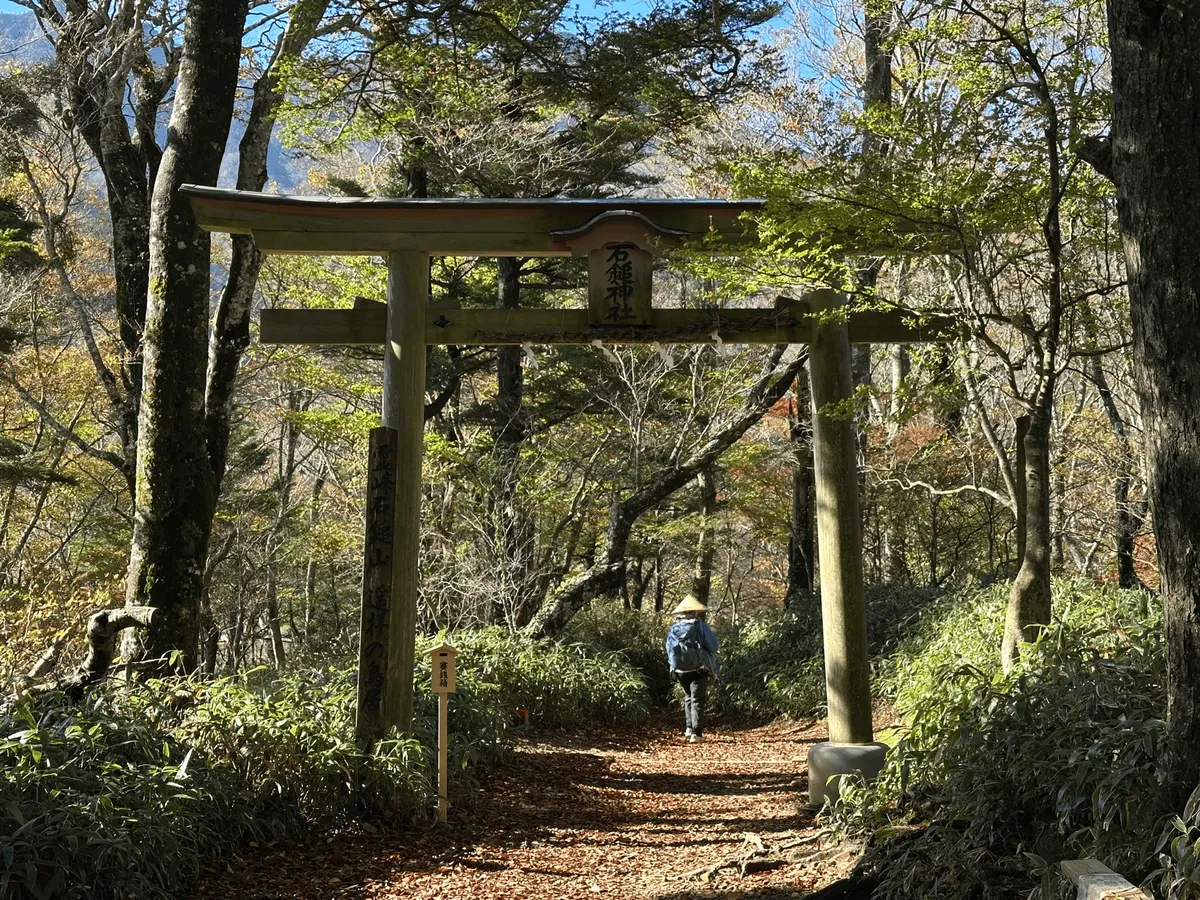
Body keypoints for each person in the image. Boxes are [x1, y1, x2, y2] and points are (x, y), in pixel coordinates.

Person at [664, 594, 719, 743]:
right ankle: (697, 733)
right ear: (695, 612)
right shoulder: (699, 625)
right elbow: (714, 646)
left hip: (680, 669)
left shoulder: (674, 628)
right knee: (697, 699)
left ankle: (689, 729)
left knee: (688, 696)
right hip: (698, 668)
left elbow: (668, 648)